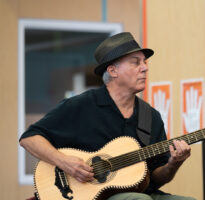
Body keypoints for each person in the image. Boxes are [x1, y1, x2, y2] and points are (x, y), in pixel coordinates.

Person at [20, 32, 195, 200]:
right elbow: (29, 138)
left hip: (138, 193)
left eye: (145, 62)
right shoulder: (81, 106)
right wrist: (64, 162)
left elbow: (157, 178)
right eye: (136, 62)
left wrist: (174, 163)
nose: (145, 68)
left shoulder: (151, 117)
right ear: (113, 71)